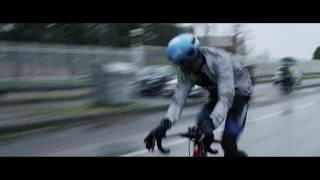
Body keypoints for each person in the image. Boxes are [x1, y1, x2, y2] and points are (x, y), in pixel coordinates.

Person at [144, 33, 252, 156]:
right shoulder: (185, 70)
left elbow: (226, 99)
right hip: (216, 92)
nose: (185, 67)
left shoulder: (219, 60)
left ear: (195, 54)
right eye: (180, 63)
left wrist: (211, 123)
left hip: (239, 93)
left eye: (186, 62)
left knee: (228, 143)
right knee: (201, 124)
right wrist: (165, 124)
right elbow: (178, 100)